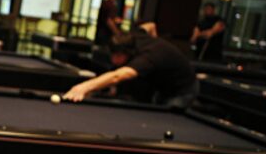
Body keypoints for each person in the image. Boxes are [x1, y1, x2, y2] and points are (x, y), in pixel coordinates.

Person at [63, 29, 197, 108]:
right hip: (162, 86)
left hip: (182, 90)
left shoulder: (148, 58)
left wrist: (84, 87)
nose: (113, 60)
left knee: (167, 122)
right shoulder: (133, 36)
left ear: (128, 53)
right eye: (112, 55)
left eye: (118, 56)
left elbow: (118, 75)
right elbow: (150, 25)